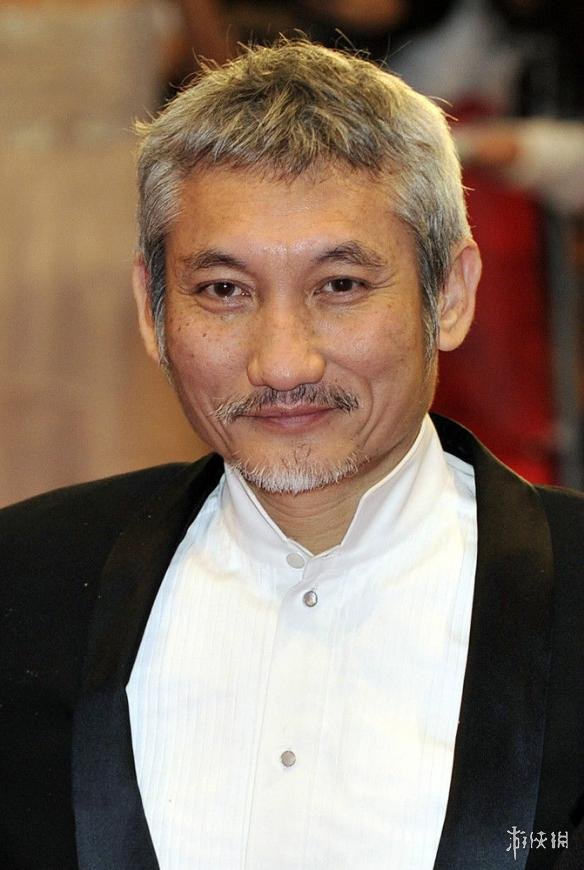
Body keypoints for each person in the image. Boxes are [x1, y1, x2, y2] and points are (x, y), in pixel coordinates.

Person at [0, 39, 582, 870]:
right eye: (223, 290)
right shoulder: (26, 586)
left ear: (450, 295)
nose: (282, 364)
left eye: (340, 286)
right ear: (153, 309)